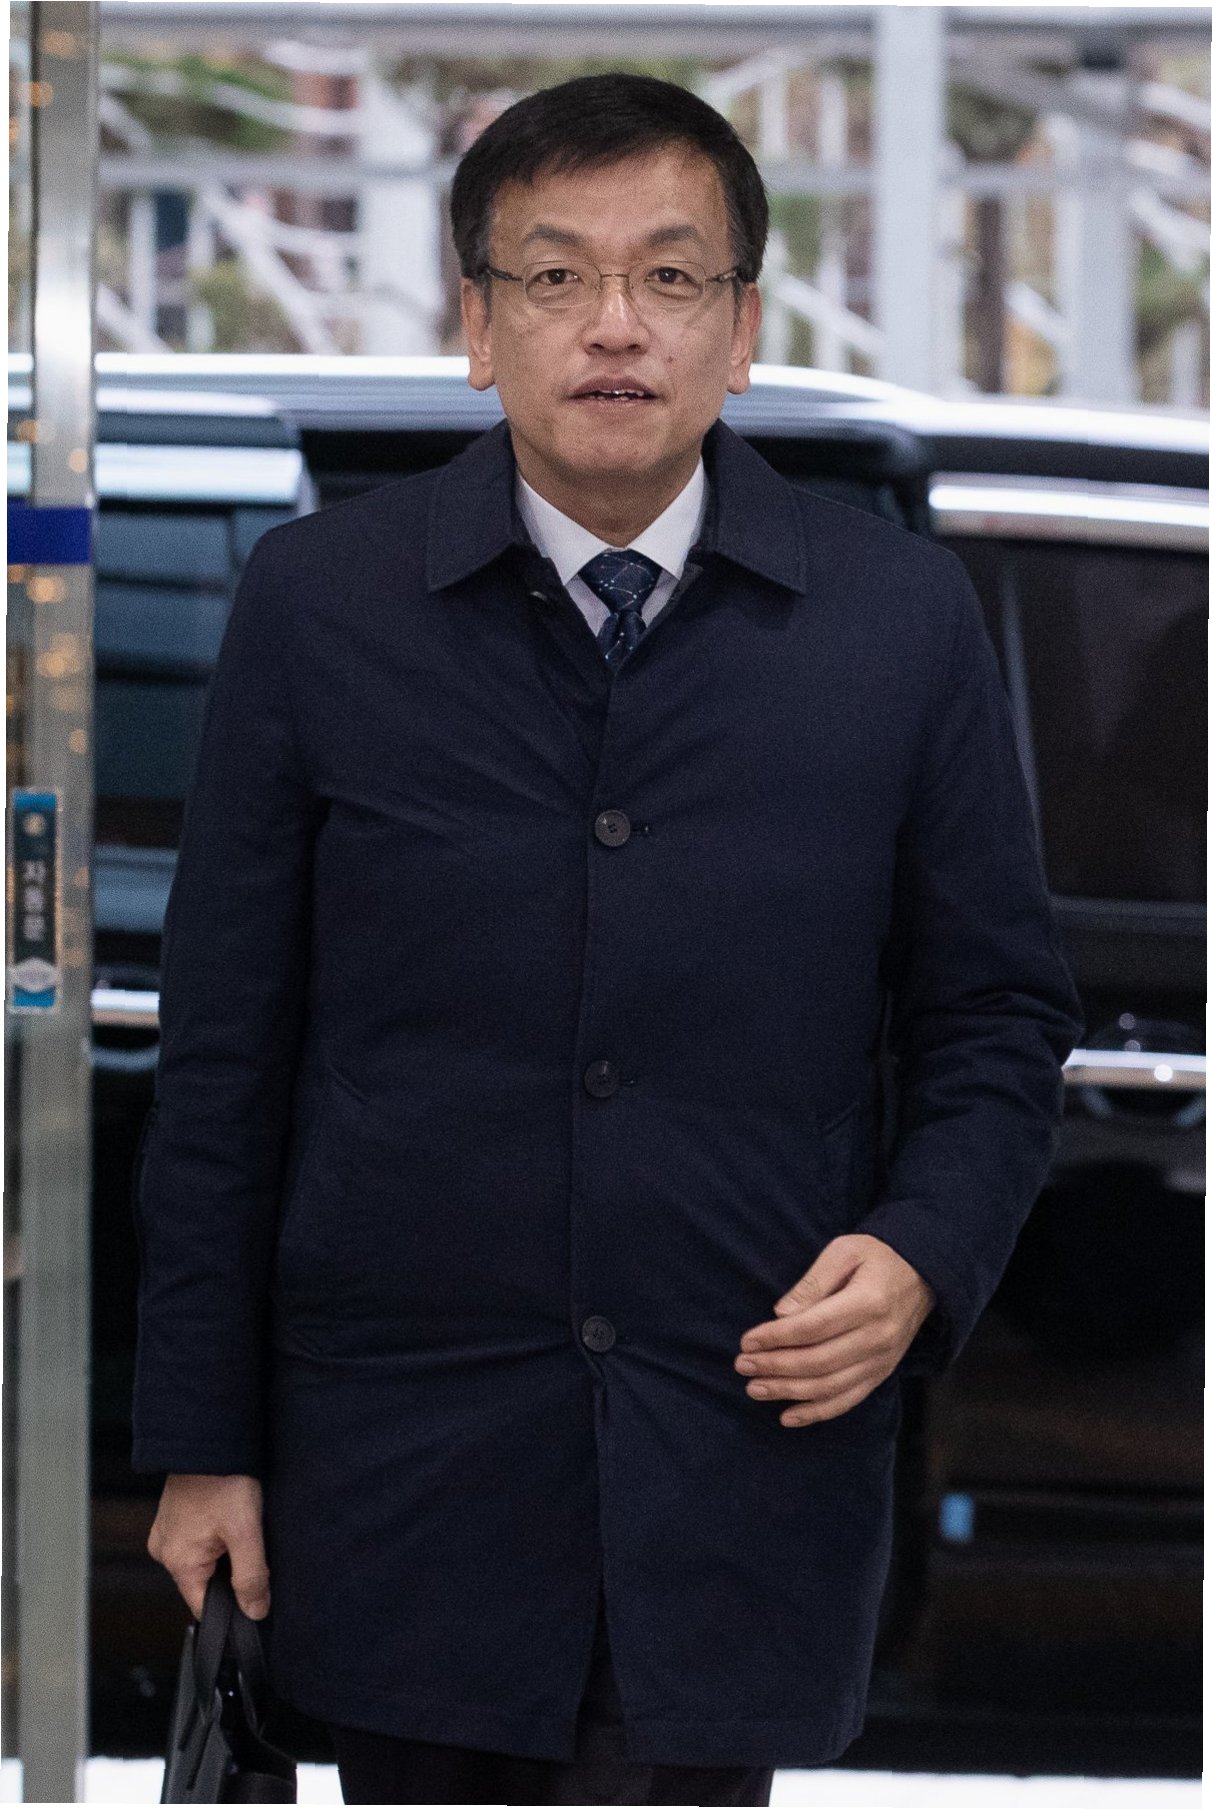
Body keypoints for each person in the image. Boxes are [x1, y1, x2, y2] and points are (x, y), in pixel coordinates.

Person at [133, 72, 1085, 1807]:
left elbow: (999, 1014)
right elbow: (224, 1059)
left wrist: (923, 1250)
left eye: (670, 275)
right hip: (405, 1466)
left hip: (734, 1449)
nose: (616, 325)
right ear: (477, 327)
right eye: (557, 275)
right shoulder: (321, 606)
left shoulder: (895, 623)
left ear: (744, 329)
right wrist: (203, 1443)